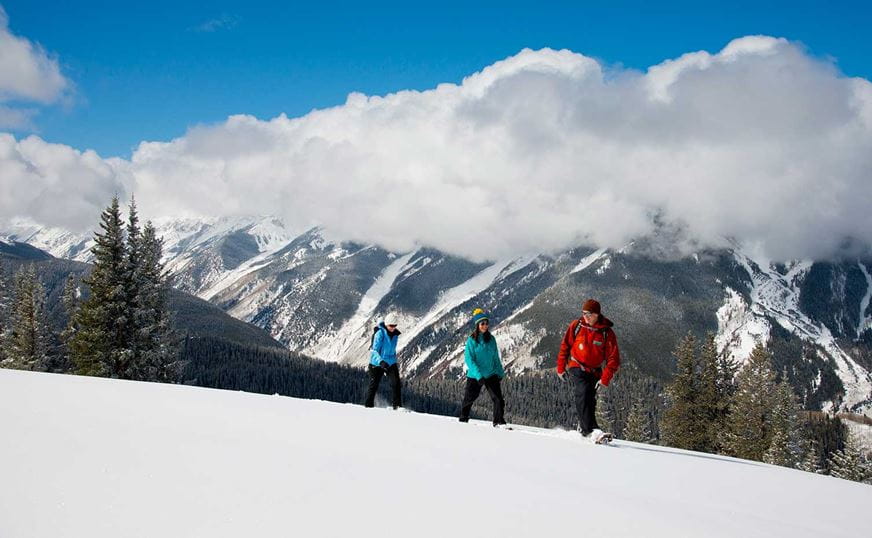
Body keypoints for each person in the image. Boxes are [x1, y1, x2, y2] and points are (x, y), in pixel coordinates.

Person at [556, 299, 621, 443]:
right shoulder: (576, 326)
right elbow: (565, 346)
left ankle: (585, 427)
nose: (586, 316)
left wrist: (605, 379)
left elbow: (613, 359)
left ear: (597, 314)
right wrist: (561, 367)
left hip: (595, 371)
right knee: (583, 392)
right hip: (576, 365)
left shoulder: (606, 333)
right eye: (584, 313)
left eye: (589, 314)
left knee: (590, 400)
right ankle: (591, 431)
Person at [459, 308, 507, 427]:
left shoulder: (491, 339)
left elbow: (495, 357)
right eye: (482, 324)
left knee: (498, 399)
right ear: (477, 325)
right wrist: (478, 375)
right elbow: (469, 360)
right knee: (469, 398)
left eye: (486, 323)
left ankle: (499, 422)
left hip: (491, 374)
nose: (485, 326)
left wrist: (500, 373)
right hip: (475, 376)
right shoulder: (471, 341)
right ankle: (463, 419)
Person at [364, 312, 402, 409]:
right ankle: (368, 407)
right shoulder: (380, 333)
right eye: (391, 325)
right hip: (376, 363)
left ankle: (397, 407)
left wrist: (394, 361)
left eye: (395, 325)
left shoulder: (395, 335)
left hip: (390, 362)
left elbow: (392, 350)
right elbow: (374, 350)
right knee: (374, 384)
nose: (393, 327)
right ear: (386, 324)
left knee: (396, 383)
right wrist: (381, 361)